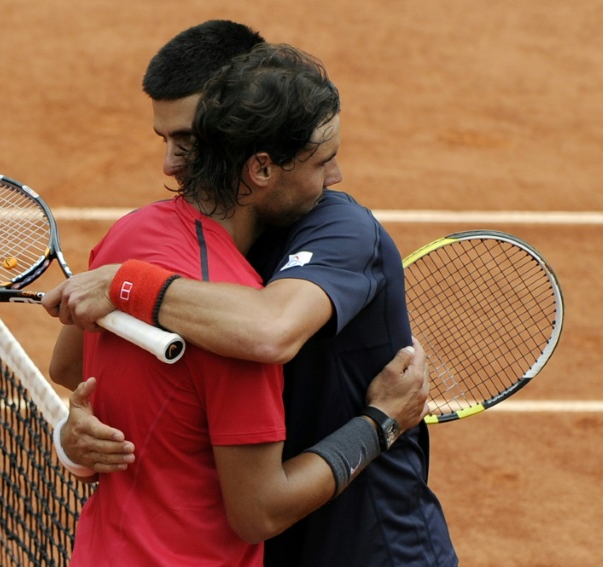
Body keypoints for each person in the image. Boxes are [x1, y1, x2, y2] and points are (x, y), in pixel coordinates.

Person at [44, 20, 458, 567]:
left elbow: (268, 330)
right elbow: (83, 374)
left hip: (365, 543)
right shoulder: (182, 258)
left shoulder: (332, 231)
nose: (170, 165)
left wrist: (125, 282)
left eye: (189, 140)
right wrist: (71, 440)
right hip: (264, 531)